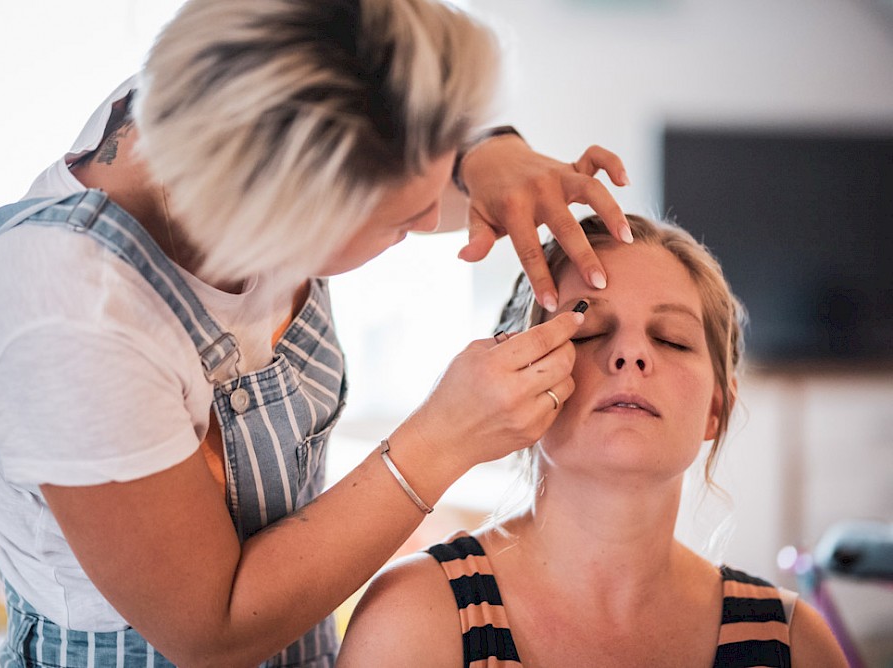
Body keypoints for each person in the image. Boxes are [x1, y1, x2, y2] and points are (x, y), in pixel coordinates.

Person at [0, 1, 633, 666]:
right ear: (278, 220)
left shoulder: (235, 89)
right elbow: (211, 629)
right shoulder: (72, 318)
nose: (438, 219)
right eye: (403, 220)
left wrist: (487, 153)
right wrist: (442, 440)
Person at [337, 214, 850, 668]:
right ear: (523, 379)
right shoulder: (416, 620)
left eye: (670, 339)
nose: (631, 354)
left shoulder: (793, 643)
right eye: (587, 331)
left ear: (717, 408)